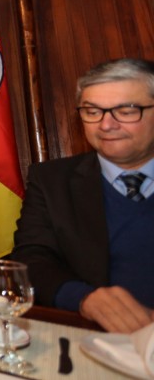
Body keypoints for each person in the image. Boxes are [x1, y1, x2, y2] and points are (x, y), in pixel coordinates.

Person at [13, 58, 154, 333]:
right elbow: (31, 258)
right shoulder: (52, 181)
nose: (106, 124)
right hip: (93, 342)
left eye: (125, 110)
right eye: (92, 111)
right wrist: (83, 298)